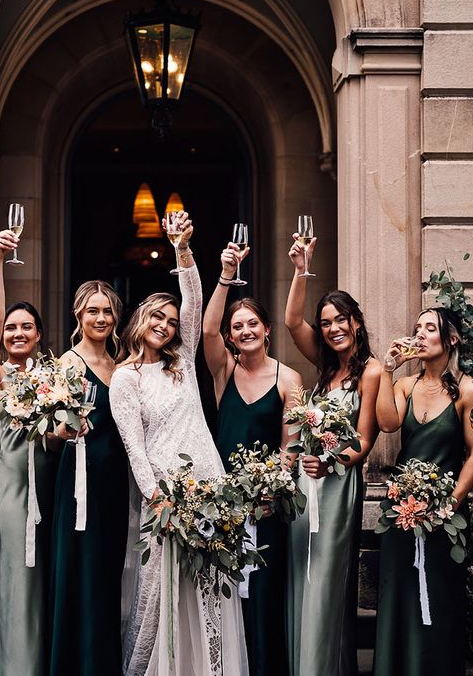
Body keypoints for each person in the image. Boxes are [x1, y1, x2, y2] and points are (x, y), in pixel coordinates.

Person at [109, 212, 249, 676]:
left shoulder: (183, 363)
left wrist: (182, 248)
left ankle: (210, 666)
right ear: (139, 319)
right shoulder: (125, 380)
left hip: (210, 485)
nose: (166, 326)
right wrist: (158, 498)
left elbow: (194, 299)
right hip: (164, 495)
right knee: (161, 590)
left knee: (210, 584)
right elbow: (135, 449)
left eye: (171, 321)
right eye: (157, 317)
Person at [284, 234, 381, 676]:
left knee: (324, 582)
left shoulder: (371, 371)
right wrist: (303, 268)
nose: (332, 328)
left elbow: (364, 441)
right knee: (300, 577)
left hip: (339, 485)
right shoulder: (326, 368)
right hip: (307, 484)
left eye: (340, 319)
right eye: (325, 323)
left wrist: (331, 458)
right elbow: (290, 320)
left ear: (356, 322)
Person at [202, 242, 302, 675]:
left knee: (262, 595)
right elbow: (205, 332)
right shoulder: (224, 369)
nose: (244, 331)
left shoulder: (289, 378)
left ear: (267, 330)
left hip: (267, 507)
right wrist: (225, 276)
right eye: (237, 326)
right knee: (222, 593)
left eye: (252, 324)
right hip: (223, 506)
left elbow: (291, 447)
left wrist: (268, 490)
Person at [373, 307, 473, 676]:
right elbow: (388, 424)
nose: (419, 335)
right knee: (399, 601)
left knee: (438, 603)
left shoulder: (470, 391)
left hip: (444, 518)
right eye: (416, 328)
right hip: (401, 515)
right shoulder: (406, 385)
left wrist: (446, 508)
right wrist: (388, 369)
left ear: (451, 339)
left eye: (430, 328)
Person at [0, 230, 57, 676]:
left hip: (52, 488)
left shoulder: (56, 376)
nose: (17, 332)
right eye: (12, 328)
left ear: (39, 334)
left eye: (27, 326)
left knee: (49, 575)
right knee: (19, 576)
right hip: (12, 493)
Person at [49, 280, 130, 676]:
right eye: (93, 310)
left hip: (115, 479)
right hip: (80, 480)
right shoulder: (68, 362)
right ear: (78, 315)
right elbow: (48, 428)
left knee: (108, 571)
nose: (100, 318)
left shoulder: (120, 365)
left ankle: (103, 661)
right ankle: (77, 663)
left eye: (107, 311)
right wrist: (62, 432)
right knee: (81, 569)